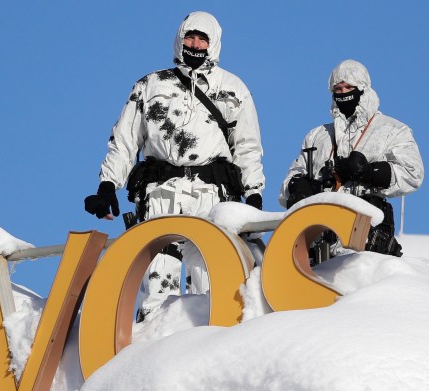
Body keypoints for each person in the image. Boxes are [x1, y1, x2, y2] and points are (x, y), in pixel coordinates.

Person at [84, 11, 265, 319]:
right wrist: (107, 185)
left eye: (202, 39)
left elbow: (247, 147)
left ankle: (209, 345)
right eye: (189, 37)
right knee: (157, 281)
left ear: (214, 44)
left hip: (212, 196)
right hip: (160, 195)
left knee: (209, 284)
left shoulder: (234, 89)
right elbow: (125, 141)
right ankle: (151, 351)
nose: (195, 44)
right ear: (179, 40)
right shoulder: (150, 85)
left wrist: (254, 195)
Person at [279, 59, 423, 259]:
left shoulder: (392, 130)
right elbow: (289, 181)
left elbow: (413, 173)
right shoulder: (317, 136)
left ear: (363, 89)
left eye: (349, 86)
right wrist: (297, 187)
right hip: (319, 243)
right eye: (337, 88)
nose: (343, 92)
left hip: (368, 239)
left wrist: (369, 172)